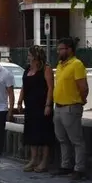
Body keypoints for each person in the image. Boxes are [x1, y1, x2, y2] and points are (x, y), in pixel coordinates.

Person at [52, 37, 89, 181]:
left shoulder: (77, 64)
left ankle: (79, 169)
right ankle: (65, 165)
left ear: (69, 49)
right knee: (62, 139)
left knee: (76, 140)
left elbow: (83, 87)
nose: (58, 52)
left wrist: (81, 100)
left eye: (61, 49)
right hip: (59, 107)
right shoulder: (61, 65)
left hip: (71, 107)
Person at [17, 45, 54, 173]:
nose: (28, 57)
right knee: (31, 132)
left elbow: (50, 87)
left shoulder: (46, 69)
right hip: (30, 106)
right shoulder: (27, 69)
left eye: (30, 55)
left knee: (43, 133)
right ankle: (34, 159)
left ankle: (44, 161)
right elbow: (24, 86)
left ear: (35, 56)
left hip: (42, 105)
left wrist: (48, 105)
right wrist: (20, 101)